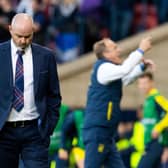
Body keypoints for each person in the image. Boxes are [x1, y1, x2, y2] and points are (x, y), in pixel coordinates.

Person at [0, 13, 61, 168]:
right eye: (19, 36)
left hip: (35, 131)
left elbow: (54, 95)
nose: (23, 41)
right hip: (3, 131)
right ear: (10, 30)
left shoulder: (46, 56)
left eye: (28, 36)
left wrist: (48, 128)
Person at [83, 37, 154, 168]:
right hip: (98, 133)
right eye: (115, 48)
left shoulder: (109, 71)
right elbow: (125, 70)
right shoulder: (103, 68)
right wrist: (141, 50)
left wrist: (141, 67)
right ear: (105, 54)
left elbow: (124, 79)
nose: (119, 50)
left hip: (107, 134)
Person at [137, 72, 168, 168]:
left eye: (145, 83)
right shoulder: (148, 100)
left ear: (152, 83)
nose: (142, 86)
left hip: (156, 143)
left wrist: (158, 127)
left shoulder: (157, 98)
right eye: (140, 83)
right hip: (149, 144)